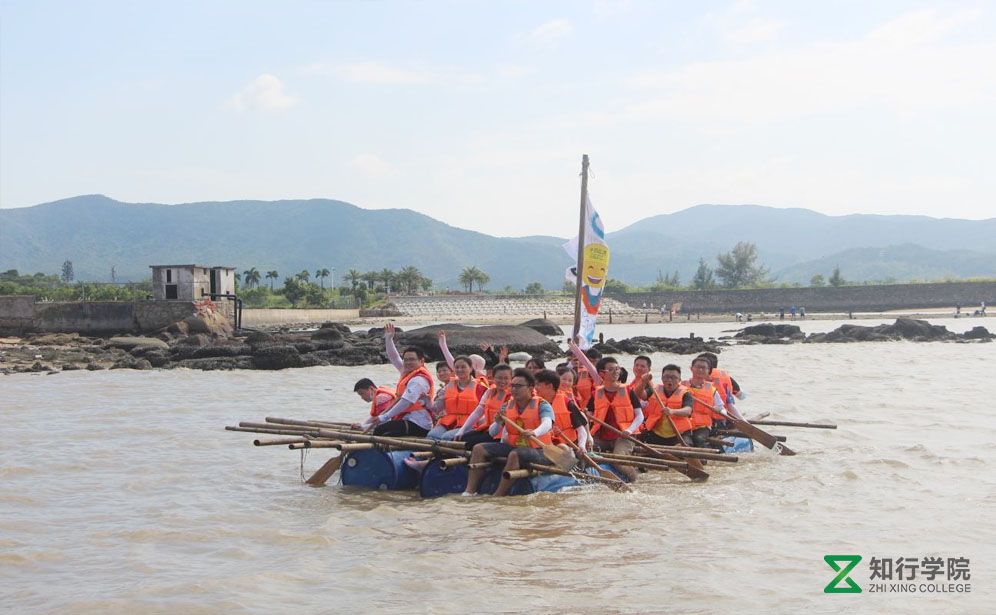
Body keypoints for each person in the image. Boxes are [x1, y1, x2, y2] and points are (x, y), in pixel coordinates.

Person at [462, 368, 561, 497]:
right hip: (515, 446)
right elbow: (492, 433)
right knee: (479, 448)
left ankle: (498, 495)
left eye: (518, 386)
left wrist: (535, 432)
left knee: (515, 454)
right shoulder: (507, 405)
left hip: (539, 449)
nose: (514, 389)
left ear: (531, 388)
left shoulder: (543, 405)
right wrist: (497, 422)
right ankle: (469, 491)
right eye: (512, 386)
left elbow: (547, 423)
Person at [583, 356, 644, 482]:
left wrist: (629, 430)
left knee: (617, 458)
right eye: (611, 369)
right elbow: (587, 414)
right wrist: (587, 422)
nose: (616, 372)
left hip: (624, 436)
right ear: (601, 373)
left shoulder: (628, 391)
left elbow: (640, 415)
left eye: (617, 369)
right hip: (602, 436)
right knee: (581, 450)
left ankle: (635, 480)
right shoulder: (596, 394)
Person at [373, 323, 435, 437]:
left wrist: (385, 417)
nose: (408, 363)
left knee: (381, 431)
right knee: (379, 429)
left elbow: (406, 401)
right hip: (406, 418)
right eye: (406, 360)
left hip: (419, 423)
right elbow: (394, 357)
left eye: (412, 360)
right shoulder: (406, 371)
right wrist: (388, 339)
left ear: (421, 361)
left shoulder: (419, 379)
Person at [425, 355, 487, 440]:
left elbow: (486, 410)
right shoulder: (448, 386)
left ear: (471, 368)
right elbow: (436, 408)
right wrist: (428, 401)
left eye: (463, 367)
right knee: (432, 435)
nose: (459, 370)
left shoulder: (480, 387)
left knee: (446, 437)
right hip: (449, 423)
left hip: (470, 424)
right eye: (457, 367)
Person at [454, 363, 514, 448]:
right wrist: (462, 430)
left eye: (506, 378)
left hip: (500, 435)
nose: (503, 381)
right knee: (458, 439)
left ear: (511, 379)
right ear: (493, 378)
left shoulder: (513, 396)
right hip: (488, 429)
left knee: (468, 444)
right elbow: (478, 412)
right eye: (499, 378)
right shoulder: (490, 392)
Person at [639, 364, 694, 446]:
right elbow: (640, 395)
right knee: (640, 444)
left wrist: (672, 411)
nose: (669, 380)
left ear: (679, 380)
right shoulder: (655, 389)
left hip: (678, 433)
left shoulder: (686, 393)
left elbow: (688, 410)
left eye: (673, 377)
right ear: (662, 378)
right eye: (666, 377)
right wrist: (643, 382)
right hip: (656, 433)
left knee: (685, 447)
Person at [534, 369, 588, 450]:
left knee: (562, 447)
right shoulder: (533, 402)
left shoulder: (567, 403)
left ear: (550, 387)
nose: (535, 388)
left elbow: (581, 430)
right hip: (542, 444)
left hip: (567, 444)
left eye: (538, 385)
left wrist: (582, 446)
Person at [683, 356, 726, 448]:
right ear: (691, 368)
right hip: (683, 423)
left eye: (704, 368)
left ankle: (703, 460)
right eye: (698, 367)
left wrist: (718, 409)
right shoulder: (681, 386)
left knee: (698, 439)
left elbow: (721, 407)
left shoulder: (712, 389)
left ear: (709, 371)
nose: (700, 370)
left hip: (702, 426)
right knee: (684, 441)